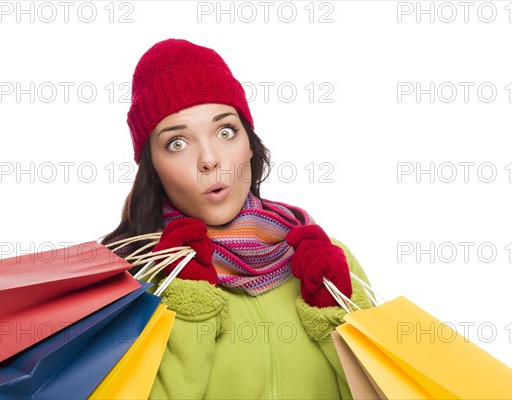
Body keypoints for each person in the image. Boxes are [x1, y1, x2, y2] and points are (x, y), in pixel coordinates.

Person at [101, 38, 374, 400]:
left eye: (225, 131)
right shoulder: (133, 282)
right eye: (177, 143)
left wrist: (333, 319)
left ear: (249, 142)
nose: (210, 159)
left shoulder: (329, 259)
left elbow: (387, 391)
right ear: (153, 166)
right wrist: (188, 307)